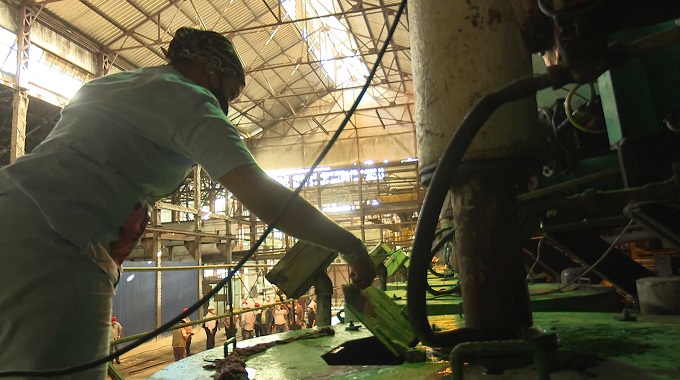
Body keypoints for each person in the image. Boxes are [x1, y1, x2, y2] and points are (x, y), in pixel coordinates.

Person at [0, 26, 376, 379]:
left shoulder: (107, 85)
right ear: (213, 71)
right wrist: (350, 245)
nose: (226, 104)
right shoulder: (192, 99)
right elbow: (264, 195)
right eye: (230, 92)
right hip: (60, 244)